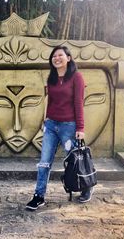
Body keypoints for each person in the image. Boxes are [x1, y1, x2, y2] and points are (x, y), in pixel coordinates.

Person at [26, 45, 92, 211]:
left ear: (68, 58)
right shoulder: (52, 78)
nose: (57, 58)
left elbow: (78, 103)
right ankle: (39, 196)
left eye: (60, 55)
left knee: (74, 160)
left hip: (68, 126)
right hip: (51, 126)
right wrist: (47, 117)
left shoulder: (76, 77)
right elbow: (51, 101)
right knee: (44, 163)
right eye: (54, 56)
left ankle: (86, 186)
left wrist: (80, 127)